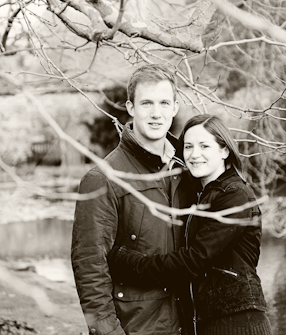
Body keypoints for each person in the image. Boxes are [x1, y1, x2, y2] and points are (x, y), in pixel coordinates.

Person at [108, 114, 272, 335]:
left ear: (224, 151)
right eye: (188, 147)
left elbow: (194, 260)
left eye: (204, 146)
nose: (195, 155)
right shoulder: (201, 193)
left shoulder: (235, 196)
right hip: (208, 320)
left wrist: (128, 262)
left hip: (238, 321)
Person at [71, 64, 185, 335]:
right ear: (131, 108)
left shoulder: (187, 169)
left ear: (175, 108)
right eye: (146, 103)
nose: (156, 113)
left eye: (163, 103)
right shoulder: (103, 179)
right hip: (137, 327)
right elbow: (90, 268)